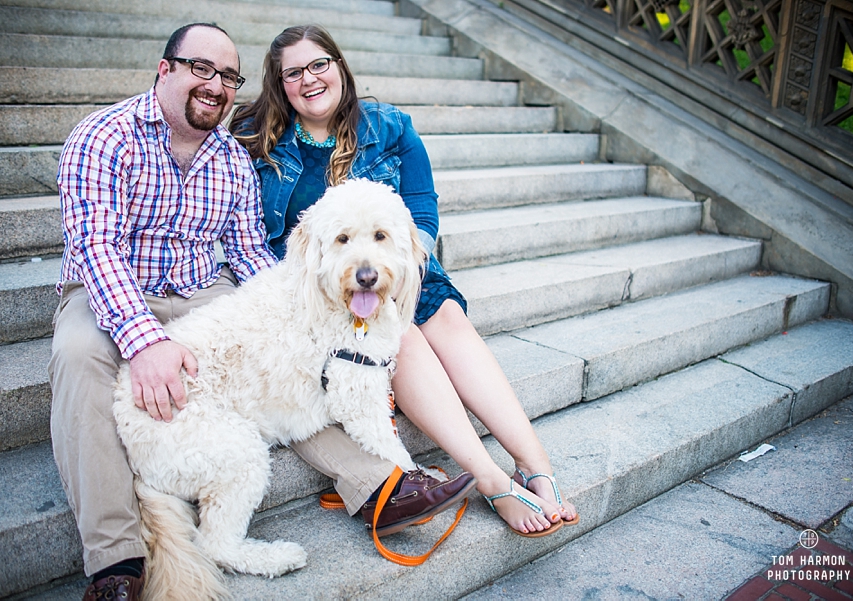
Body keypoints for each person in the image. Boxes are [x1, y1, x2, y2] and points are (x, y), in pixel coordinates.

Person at [50, 22, 475, 600]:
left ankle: (381, 485)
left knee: (289, 352)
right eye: (201, 69)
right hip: (111, 290)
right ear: (164, 68)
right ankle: (115, 562)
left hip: (202, 289)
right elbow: (96, 250)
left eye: (228, 77)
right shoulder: (104, 136)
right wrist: (145, 341)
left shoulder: (230, 157)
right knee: (78, 356)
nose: (216, 86)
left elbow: (250, 248)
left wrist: (312, 306)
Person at [230, 24, 580, 539]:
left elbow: (422, 213)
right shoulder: (257, 140)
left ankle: (536, 466)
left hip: (400, 267)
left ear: (339, 66)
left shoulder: (390, 126)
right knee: (401, 335)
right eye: (293, 73)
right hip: (324, 286)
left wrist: (403, 273)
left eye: (319, 64)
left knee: (447, 318)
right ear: (279, 84)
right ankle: (492, 481)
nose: (309, 79)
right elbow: (255, 235)